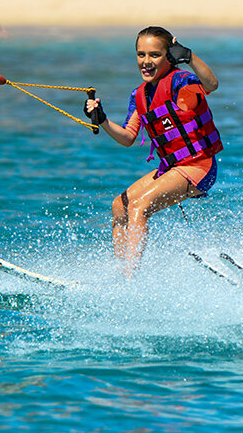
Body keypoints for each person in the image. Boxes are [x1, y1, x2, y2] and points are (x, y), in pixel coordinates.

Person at [84, 27, 222, 274]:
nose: (146, 62)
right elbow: (127, 137)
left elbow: (211, 84)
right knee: (120, 205)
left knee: (139, 206)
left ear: (169, 55)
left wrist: (189, 57)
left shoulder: (181, 82)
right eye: (141, 54)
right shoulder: (139, 95)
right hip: (171, 168)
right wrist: (102, 119)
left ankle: (130, 277)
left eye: (155, 55)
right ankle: (119, 270)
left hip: (198, 167)